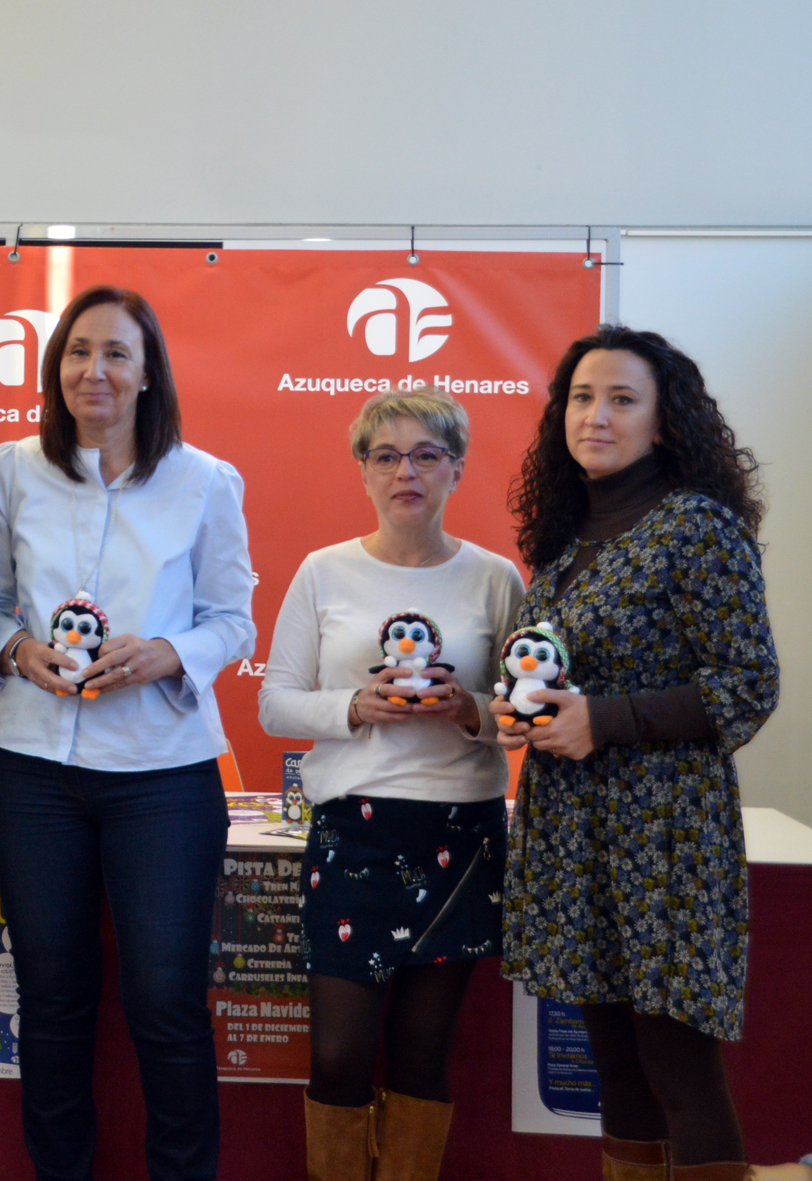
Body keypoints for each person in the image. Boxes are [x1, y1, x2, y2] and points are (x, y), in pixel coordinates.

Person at [0, 285, 255, 1181]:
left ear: (148, 373)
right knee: (53, 998)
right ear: (55, 368)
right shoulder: (13, 469)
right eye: (78, 351)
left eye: (117, 353)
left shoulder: (205, 480)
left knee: (166, 1000)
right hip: (31, 772)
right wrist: (17, 650)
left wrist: (169, 653)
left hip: (163, 778)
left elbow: (233, 619)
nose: (94, 370)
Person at [495, 327, 789, 1181]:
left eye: (622, 399)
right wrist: (523, 712)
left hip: (664, 832)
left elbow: (748, 682)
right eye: (581, 397)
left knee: (678, 1067)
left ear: (663, 422)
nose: (595, 415)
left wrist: (605, 719)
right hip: (573, 829)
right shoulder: (564, 538)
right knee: (614, 1068)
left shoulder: (697, 525)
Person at [258, 388, 523, 1181]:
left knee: (421, 1056)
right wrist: (353, 705)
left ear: (457, 469)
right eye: (387, 456)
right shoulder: (322, 570)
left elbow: (524, 715)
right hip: (353, 831)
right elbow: (275, 702)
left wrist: (470, 708)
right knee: (339, 1056)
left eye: (426, 455)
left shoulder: (495, 577)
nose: (406, 471)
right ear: (364, 472)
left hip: (460, 834)